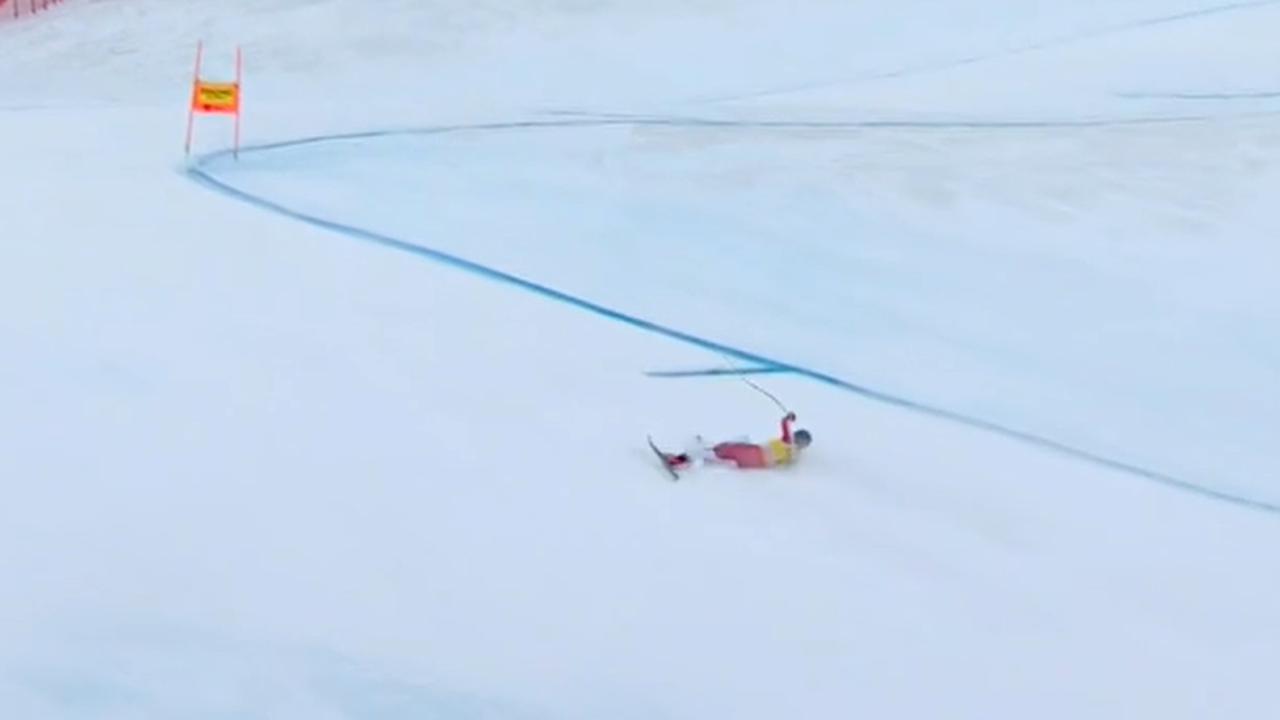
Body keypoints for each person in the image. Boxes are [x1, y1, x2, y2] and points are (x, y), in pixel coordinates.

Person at [664, 412, 812, 471]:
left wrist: (790, 418)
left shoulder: (788, 441)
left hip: (753, 453)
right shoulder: (793, 456)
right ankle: (703, 450)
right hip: (754, 463)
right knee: (737, 442)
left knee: (718, 451)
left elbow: (784, 423)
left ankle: (678, 461)